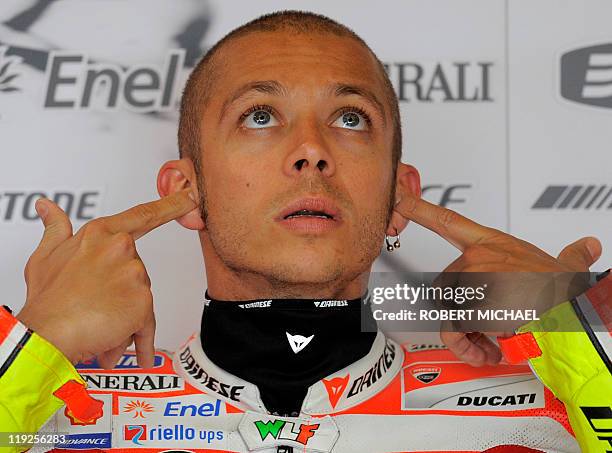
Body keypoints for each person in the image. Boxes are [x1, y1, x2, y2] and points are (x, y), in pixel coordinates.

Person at [0, 10, 610, 453]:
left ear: (399, 196)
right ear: (185, 192)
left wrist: (567, 329)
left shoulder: (552, 402)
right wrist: (36, 347)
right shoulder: (56, 416)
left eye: (350, 118)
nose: (312, 151)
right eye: (260, 116)